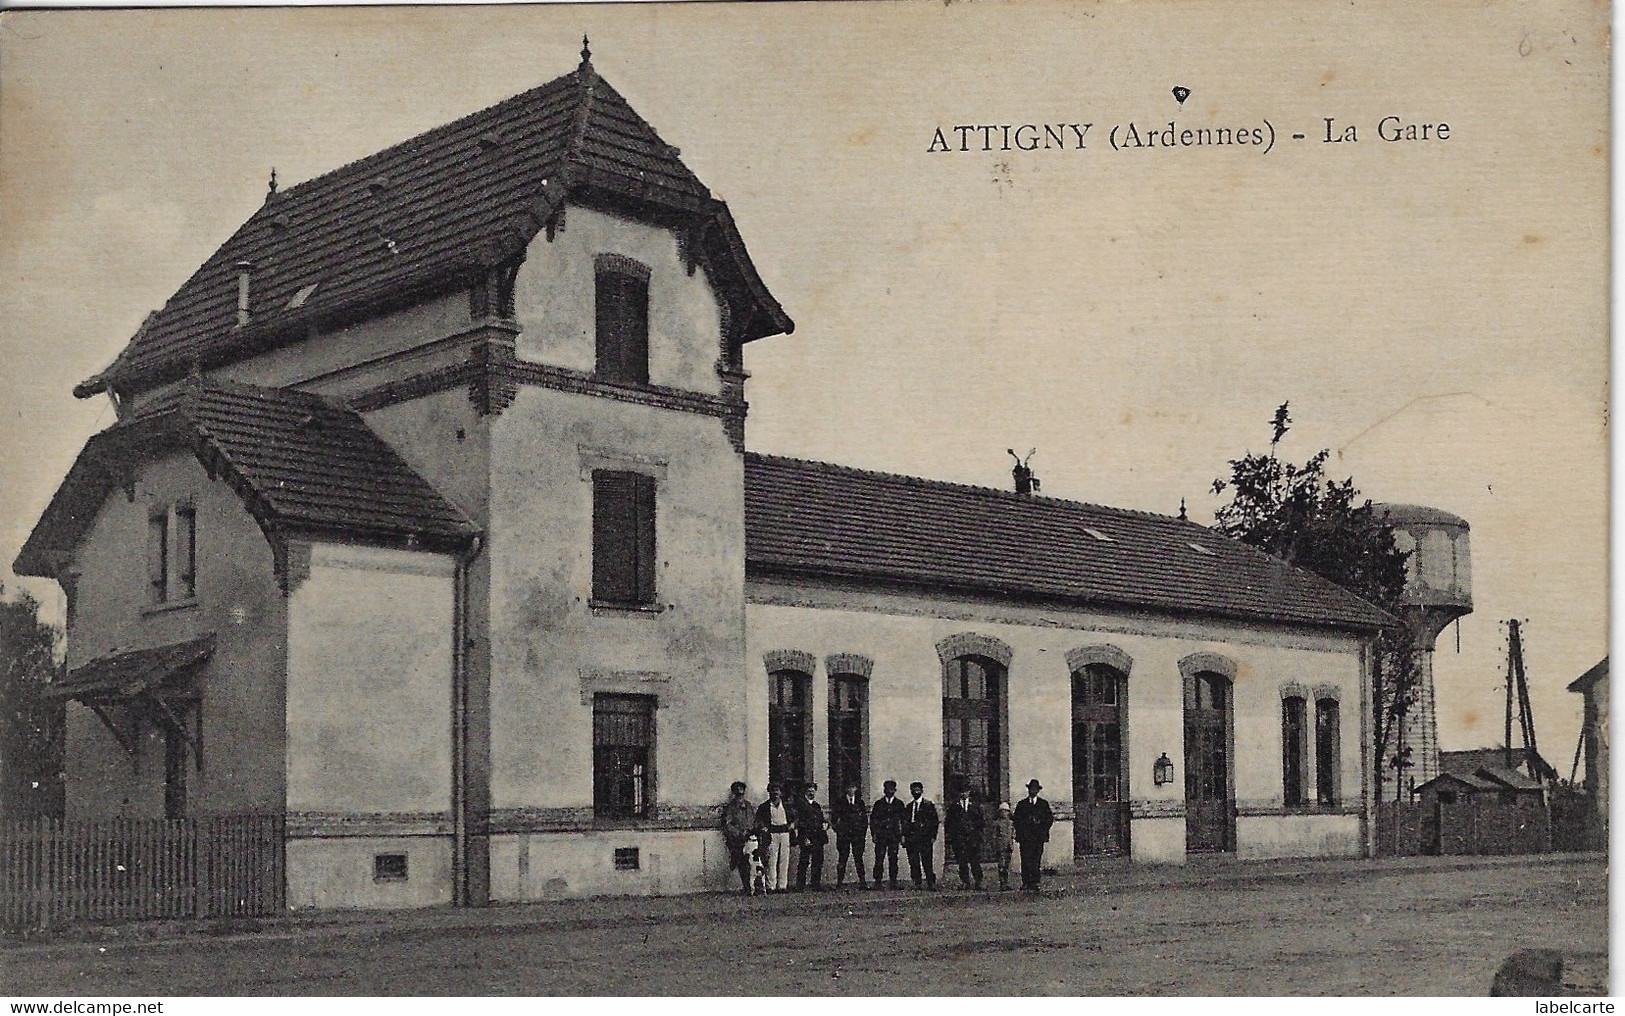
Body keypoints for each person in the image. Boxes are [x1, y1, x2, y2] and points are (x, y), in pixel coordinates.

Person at [1013, 778, 1055, 891]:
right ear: (1028, 790)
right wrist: (1024, 827)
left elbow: (1049, 819)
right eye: (1031, 789)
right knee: (1025, 859)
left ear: (1038, 791)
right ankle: (1026, 881)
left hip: (1038, 837)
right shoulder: (1022, 804)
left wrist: (1041, 825)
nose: (1033, 791)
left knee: (1036, 859)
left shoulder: (1043, 804)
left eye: (1035, 789)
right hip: (1025, 838)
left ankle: (1035, 882)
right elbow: (1016, 820)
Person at [755, 783, 796, 893]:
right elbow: (759, 821)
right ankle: (771, 886)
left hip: (784, 834)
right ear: (769, 792)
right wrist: (763, 827)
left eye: (778, 790)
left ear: (781, 793)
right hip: (772, 834)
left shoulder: (786, 806)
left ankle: (782, 885)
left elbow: (794, 818)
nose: (776, 793)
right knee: (771, 860)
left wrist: (792, 824)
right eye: (773, 790)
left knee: (784, 859)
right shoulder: (764, 807)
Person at [720, 780, 757, 894]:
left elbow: (753, 820)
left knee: (752, 862)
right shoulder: (730, 808)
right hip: (737, 840)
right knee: (740, 862)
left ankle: (751, 886)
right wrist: (739, 833)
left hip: (749, 838)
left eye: (741, 793)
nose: (740, 796)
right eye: (737, 793)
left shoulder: (749, 806)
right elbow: (727, 824)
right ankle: (744, 886)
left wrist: (751, 831)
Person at [944, 787, 985, 890]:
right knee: (962, 861)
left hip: (972, 838)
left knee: (975, 860)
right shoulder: (954, 806)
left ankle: (978, 881)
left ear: (969, 792)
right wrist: (952, 836)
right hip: (959, 838)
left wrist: (977, 834)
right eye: (961, 791)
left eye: (966, 791)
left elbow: (981, 822)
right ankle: (965, 882)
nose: (964, 794)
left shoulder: (975, 806)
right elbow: (948, 822)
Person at [902, 780, 940, 890]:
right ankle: (917, 882)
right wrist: (904, 836)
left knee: (927, 861)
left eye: (918, 790)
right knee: (914, 861)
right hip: (912, 837)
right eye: (914, 790)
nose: (916, 792)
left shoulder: (928, 805)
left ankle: (930, 882)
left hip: (924, 837)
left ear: (922, 791)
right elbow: (905, 822)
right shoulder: (909, 807)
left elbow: (934, 822)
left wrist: (933, 836)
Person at [869, 779, 906, 889]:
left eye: (891, 789)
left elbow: (903, 820)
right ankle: (878, 881)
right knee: (879, 858)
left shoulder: (899, 804)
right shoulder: (879, 804)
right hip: (881, 836)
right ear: (884, 790)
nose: (889, 792)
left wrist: (902, 835)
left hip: (894, 836)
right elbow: (873, 820)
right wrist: (874, 834)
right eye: (887, 789)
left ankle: (893, 881)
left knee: (893, 858)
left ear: (895, 790)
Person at [831, 782, 869, 889]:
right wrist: (839, 830)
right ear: (846, 789)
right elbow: (834, 819)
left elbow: (864, 820)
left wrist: (862, 833)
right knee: (842, 858)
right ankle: (839, 882)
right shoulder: (840, 802)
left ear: (856, 789)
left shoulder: (860, 802)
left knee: (859, 858)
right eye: (849, 787)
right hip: (844, 836)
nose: (851, 790)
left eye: (853, 787)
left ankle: (862, 882)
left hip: (857, 836)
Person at [795, 783, 829, 891]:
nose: (811, 793)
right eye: (809, 790)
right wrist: (804, 837)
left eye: (813, 791)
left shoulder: (816, 806)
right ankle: (800, 885)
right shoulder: (800, 805)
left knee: (818, 860)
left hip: (817, 836)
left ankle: (815, 883)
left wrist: (825, 824)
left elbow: (821, 819)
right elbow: (800, 822)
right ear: (805, 791)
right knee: (804, 860)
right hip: (807, 836)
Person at [990, 801, 1016, 891]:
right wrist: (995, 845)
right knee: (1001, 865)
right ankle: (1002, 883)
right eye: (1002, 811)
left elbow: (1013, 833)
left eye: (1006, 811)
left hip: (1009, 846)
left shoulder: (1011, 823)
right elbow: (994, 835)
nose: (1004, 813)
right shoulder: (997, 823)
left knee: (1007, 865)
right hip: (1000, 846)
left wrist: (1013, 838)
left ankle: (1006, 882)